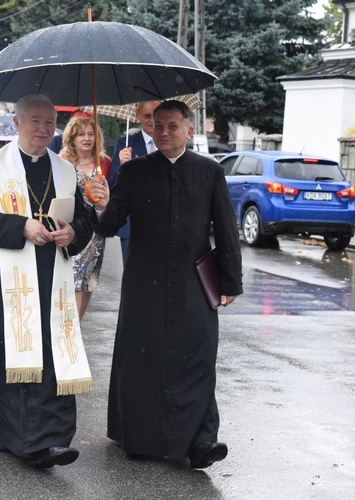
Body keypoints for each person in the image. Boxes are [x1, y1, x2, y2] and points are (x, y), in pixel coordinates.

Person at [91, 100, 243, 469]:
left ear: (189, 130)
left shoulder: (209, 171)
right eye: (157, 125)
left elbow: (225, 228)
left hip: (194, 280)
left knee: (198, 356)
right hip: (145, 280)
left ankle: (202, 440)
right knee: (143, 357)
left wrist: (230, 281)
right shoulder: (134, 171)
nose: (163, 132)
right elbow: (108, 225)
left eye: (171, 126)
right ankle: (140, 436)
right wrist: (98, 200)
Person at [0, 94, 94, 468]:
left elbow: (83, 221)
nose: (43, 130)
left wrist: (73, 232)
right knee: (12, 356)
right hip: (5, 283)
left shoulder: (66, 171)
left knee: (50, 357)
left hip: (52, 281)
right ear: (16, 124)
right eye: (35, 121)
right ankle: (8, 435)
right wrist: (20, 226)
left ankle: (49, 440)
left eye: (50, 123)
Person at [59, 115, 112, 320]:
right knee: (74, 281)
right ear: (72, 138)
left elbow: (114, 194)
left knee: (88, 281)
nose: (86, 138)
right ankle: (72, 331)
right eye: (81, 134)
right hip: (74, 227)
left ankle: (76, 327)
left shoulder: (104, 161)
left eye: (90, 134)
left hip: (96, 231)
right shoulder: (62, 161)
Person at [109, 100, 161, 264]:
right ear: (138, 116)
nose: (152, 120)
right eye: (146, 116)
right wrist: (123, 167)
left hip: (163, 226)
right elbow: (112, 185)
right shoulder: (125, 144)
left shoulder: (170, 143)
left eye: (156, 115)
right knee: (133, 281)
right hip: (132, 227)